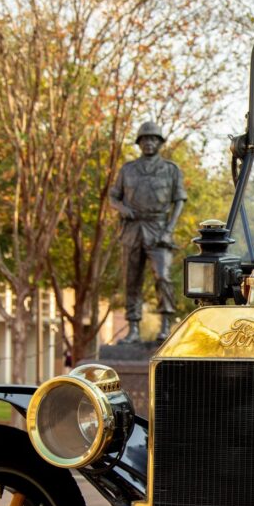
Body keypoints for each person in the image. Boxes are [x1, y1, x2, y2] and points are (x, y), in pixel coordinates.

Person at [109, 121, 187, 343]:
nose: (149, 143)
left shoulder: (170, 170)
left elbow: (179, 200)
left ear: (160, 143)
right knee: (131, 279)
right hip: (132, 229)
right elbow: (113, 196)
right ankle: (133, 328)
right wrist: (122, 208)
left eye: (153, 139)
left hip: (159, 228)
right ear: (139, 143)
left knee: (163, 276)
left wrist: (169, 230)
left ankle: (165, 325)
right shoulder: (128, 170)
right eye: (145, 139)